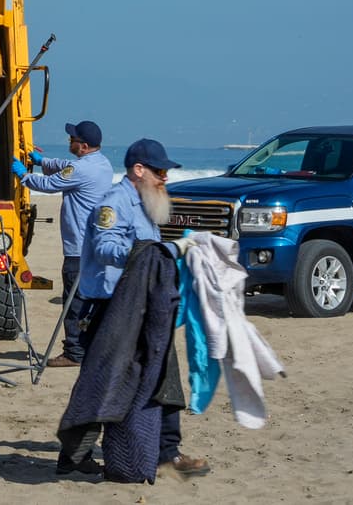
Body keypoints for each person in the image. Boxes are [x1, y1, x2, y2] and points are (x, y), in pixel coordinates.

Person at [57, 138, 209, 479]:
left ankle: (168, 452)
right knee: (101, 383)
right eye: (159, 171)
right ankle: (72, 456)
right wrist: (160, 253)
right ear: (138, 170)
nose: (164, 179)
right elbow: (106, 247)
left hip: (142, 306)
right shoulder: (113, 203)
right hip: (110, 308)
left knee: (161, 373)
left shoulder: (144, 203)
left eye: (166, 172)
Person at [12, 120, 113, 367]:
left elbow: (48, 184)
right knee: (91, 301)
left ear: (84, 146)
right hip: (94, 246)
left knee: (74, 302)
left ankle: (74, 353)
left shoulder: (81, 170)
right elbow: (64, 167)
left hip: (79, 249)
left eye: (73, 139)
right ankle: (89, 348)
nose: (69, 141)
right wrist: (40, 161)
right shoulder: (102, 163)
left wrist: (23, 174)